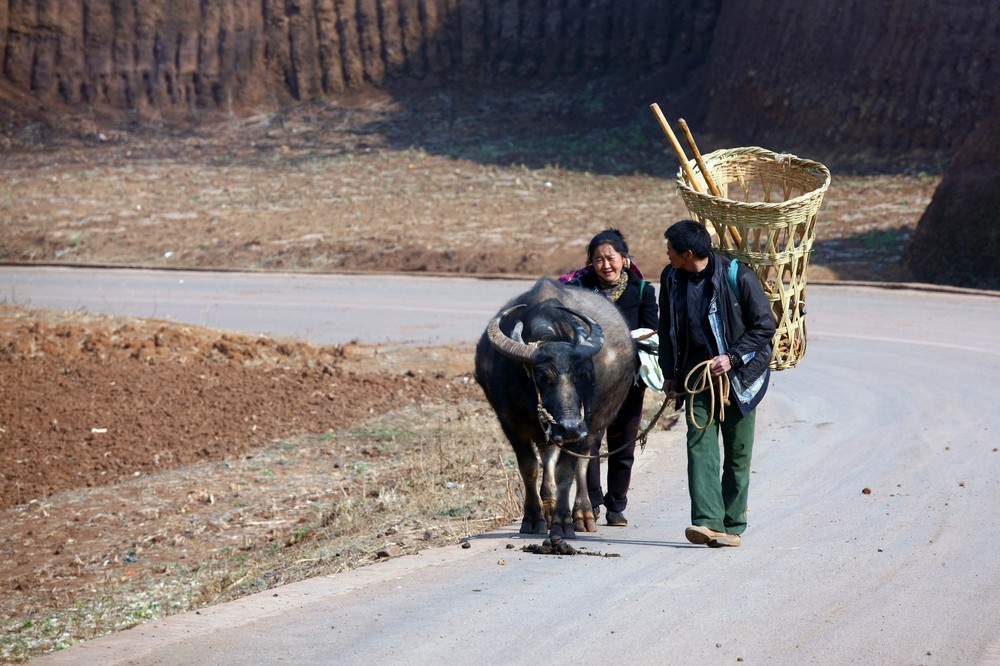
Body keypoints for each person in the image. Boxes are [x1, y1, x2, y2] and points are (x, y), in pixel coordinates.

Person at [658, 220, 776, 547]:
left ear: (688, 253)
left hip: (740, 376)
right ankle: (707, 522)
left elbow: (765, 327)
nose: (666, 254)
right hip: (698, 376)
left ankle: (732, 525)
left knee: (738, 452)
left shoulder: (739, 277)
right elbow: (667, 327)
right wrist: (669, 372)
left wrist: (732, 358)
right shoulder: (670, 278)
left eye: (670, 249)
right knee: (700, 445)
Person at [563, 228, 658, 527]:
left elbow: (652, 332)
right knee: (588, 442)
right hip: (589, 381)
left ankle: (617, 505)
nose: (606, 265)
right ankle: (591, 501)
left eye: (611, 258)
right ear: (591, 262)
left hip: (629, 381)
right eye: (599, 260)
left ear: (624, 259)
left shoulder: (642, 291)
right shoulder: (581, 290)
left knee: (624, 442)